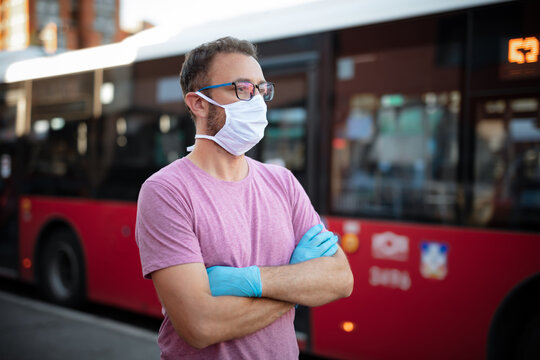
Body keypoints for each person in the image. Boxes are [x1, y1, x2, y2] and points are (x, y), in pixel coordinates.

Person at [135, 36, 354, 360]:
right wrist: (296, 283)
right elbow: (200, 325)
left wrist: (247, 281)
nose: (257, 102)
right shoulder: (167, 191)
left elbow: (341, 278)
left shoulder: (282, 182)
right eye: (242, 89)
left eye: (262, 89)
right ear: (198, 103)